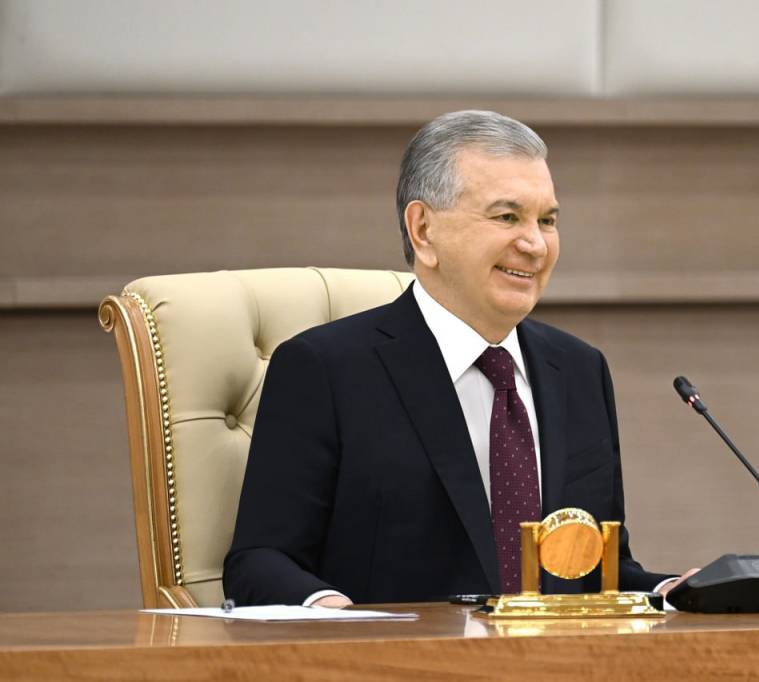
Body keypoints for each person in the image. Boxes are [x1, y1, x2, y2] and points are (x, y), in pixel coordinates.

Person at [223, 110, 694, 607]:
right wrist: (335, 614)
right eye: (507, 217)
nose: (534, 244)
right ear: (424, 230)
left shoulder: (578, 370)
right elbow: (259, 562)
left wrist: (677, 592)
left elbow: (596, 571)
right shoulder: (325, 370)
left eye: (548, 220)